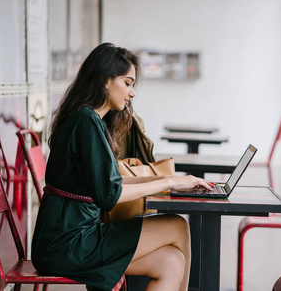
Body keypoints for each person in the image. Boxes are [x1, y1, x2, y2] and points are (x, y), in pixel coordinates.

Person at [31, 43, 213, 291]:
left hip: (71, 236)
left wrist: (177, 180)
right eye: (127, 83)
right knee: (177, 225)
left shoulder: (88, 119)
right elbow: (111, 195)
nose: (132, 92)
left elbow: (113, 180)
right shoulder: (86, 120)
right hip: (68, 242)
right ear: (105, 80)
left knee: (170, 262)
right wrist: (170, 182)